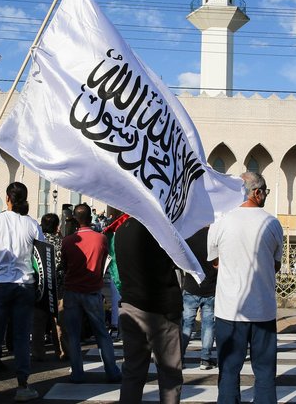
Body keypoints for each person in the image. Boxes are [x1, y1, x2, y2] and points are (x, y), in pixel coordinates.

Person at [208, 172, 283, 404]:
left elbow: (215, 262)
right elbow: (276, 264)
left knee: (229, 371)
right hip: (263, 310)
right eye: (266, 192)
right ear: (257, 192)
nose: (266, 196)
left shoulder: (220, 223)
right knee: (265, 373)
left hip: (230, 310)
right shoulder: (272, 223)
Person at [0, 182, 44, 401]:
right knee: (21, 337)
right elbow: (41, 257)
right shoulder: (32, 224)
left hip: (1, 283)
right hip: (25, 284)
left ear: (7, 198)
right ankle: (23, 385)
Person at [114, 216, 182, 404]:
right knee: (170, 374)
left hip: (131, 304)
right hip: (160, 307)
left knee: (133, 372)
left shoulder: (121, 230)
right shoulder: (159, 229)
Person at [60, 204, 121, 383]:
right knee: (101, 332)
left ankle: (77, 373)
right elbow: (105, 260)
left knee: (73, 334)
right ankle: (112, 371)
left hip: (72, 289)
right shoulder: (101, 239)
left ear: (76, 219)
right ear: (89, 217)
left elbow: (64, 266)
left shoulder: (68, 241)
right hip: (93, 290)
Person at [180, 226, 217, 370]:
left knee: (186, 325)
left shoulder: (188, 235)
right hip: (210, 288)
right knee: (208, 325)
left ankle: (180, 358)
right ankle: (205, 359)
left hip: (191, 286)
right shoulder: (214, 238)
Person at [31, 213, 65, 361]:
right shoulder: (62, 242)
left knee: (38, 322)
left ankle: (38, 352)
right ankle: (62, 351)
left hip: (40, 286)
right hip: (59, 287)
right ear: (57, 226)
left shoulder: (37, 242)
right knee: (59, 322)